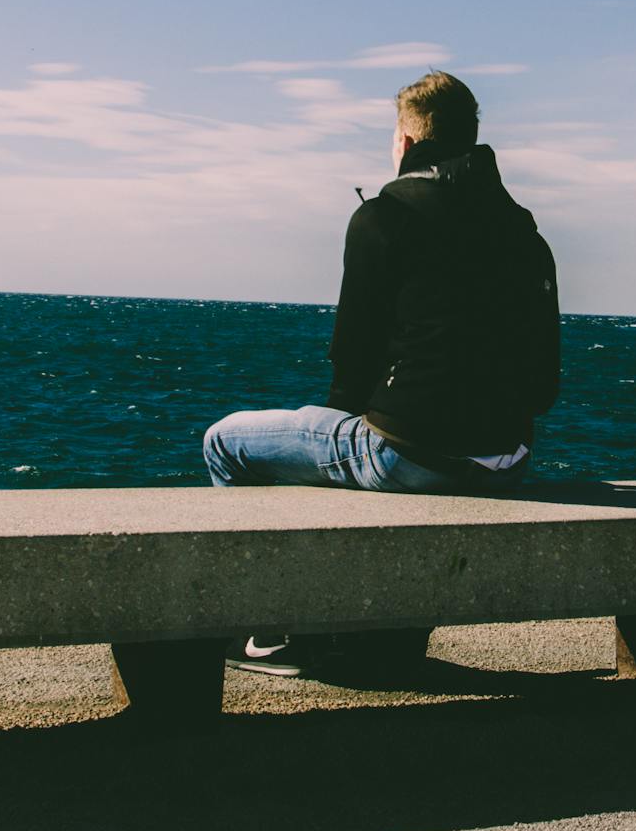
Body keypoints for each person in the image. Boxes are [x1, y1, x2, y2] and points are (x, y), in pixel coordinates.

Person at [201, 69, 560, 675]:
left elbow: (352, 357)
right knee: (374, 448)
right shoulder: (523, 228)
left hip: (412, 453)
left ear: (408, 141)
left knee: (227, 442)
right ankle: (381, 631)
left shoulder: (387, 214)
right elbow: (544, 380)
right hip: (508, 458)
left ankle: (274, 631)